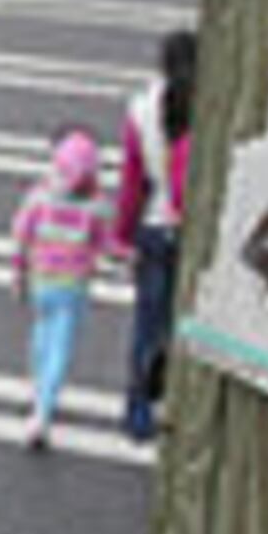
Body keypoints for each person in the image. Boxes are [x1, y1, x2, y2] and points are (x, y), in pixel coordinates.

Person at [114, 28, 197, 443]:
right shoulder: (207, 103)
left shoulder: (141, 108)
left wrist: (121, 235)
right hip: (191, 231)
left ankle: (139, 412)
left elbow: (133, 183)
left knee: (148, 326)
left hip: (153, 227)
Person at [9, 129, 111, 451]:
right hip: (73, 286)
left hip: (42, 278)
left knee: (41, 332)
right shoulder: (96, 205)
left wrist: (18, 270)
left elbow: (21, 233)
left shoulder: (39, 196)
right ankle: (43, 411)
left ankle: (35, 387)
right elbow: (104, 243)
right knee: (60, 347)